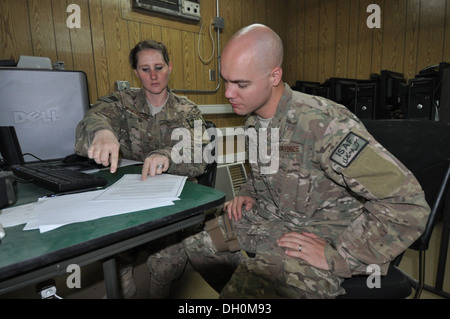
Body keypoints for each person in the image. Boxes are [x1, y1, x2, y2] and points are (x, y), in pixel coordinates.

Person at [178, 23, 431, 298]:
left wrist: (338, 256)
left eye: (241, 84)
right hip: (274, 219)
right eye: (226, 80)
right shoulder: (254, 119)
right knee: (192, 236)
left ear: (274, 76)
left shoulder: (323, 124)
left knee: (248, 294)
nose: (228, 93)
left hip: (323, 233)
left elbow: (408, 203)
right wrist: (248, 193)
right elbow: (265, 172)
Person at [74, 40, 208, 298]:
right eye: (145, 69)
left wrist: (166, 155)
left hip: (174, 196)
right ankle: (123, 285)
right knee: (111, 246)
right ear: (135, 72)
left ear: (170, 67)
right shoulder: (122, 102)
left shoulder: (188, 110)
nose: (153, 75)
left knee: (167, 262)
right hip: (129, 192)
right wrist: (101, 132)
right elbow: (92, 117)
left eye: (159, 67)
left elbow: (200, 156)